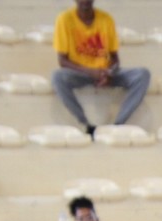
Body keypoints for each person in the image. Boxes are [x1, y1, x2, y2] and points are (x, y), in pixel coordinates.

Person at [51, 0, 150, 138]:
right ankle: (85, 124)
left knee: (142, 75)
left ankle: (118, 125)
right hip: (80, 73)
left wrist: (109, 73)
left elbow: (115, 59)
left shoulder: (106, 19)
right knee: (58, 77)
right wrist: (91, 72)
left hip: (105, 72)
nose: (85, 1)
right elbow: (62, 61)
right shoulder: (64, 19)